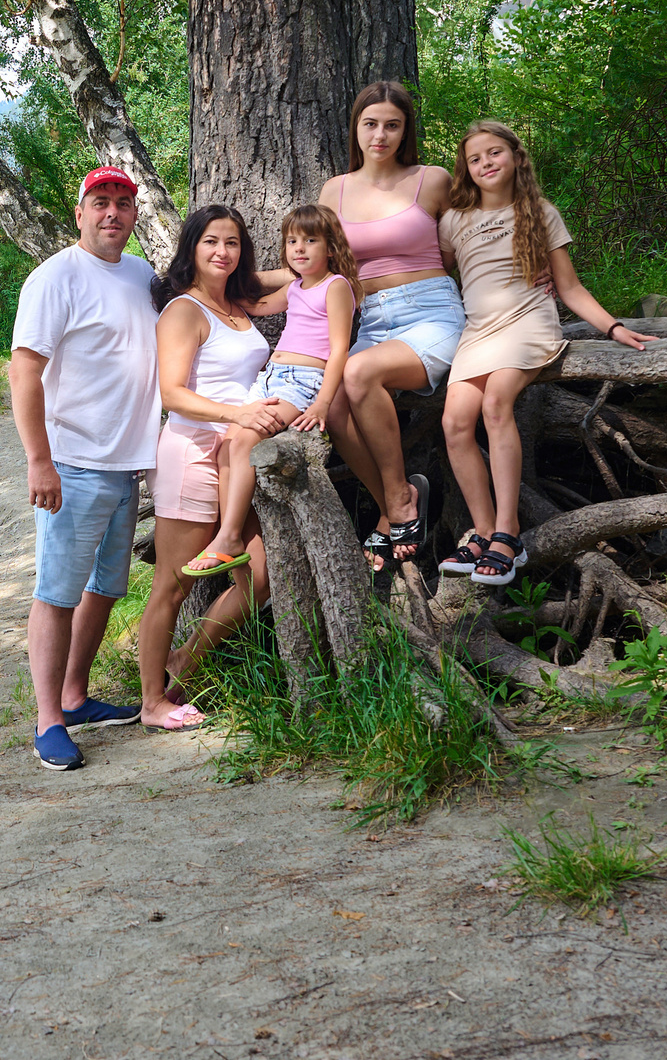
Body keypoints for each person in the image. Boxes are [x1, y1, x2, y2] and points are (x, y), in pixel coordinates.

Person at [435, 120, 654, 583]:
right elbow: (429, 270)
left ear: (516, 157)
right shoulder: (453, 220)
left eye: (494, 152)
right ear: (465, 170)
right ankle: (481, 530)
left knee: (496, 404)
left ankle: (508, 534)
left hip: (527, 322)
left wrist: (614, 327)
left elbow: (570, 287)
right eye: (475, 159)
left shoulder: (539, 212)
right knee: (454, 422)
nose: (485, 163)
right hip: (478, 332)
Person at [9, 167, 165, 771]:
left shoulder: (142, 276)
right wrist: (39, 461)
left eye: (123, 203)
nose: (112, 213)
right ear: (80, 213)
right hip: (72, 464)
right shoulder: (55, 278)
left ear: (134, 214)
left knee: (105, 588)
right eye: (100, 202)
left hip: (128, 465)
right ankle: (48, 720)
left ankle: (75, 696)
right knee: (57, 593)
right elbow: (24, 371)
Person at [133, 205, 280, 730]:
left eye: (233, 242)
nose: (222, 251)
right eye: (211, 241)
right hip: (193, 454)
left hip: (237, 456)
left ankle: (185, 661)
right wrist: (237, 413)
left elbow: (302, 276)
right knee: (172, 586)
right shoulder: (183, 311)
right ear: (190, 248)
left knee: (261, 575)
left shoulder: (238, 303)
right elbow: (173, 394)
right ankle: (152, 702)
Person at [319, 82, 464, 586]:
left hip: (430, 312)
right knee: (331, 403)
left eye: (392, 125)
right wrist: (244, 286)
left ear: (406, 132)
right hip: (372, 318)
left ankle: (399, 502)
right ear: (355, 128)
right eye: (370, 124)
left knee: (358, 372)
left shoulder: (432, 180)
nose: (380, 135)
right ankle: (393, 503)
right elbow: (318, 264)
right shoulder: (334, 191)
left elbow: (465, 247)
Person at [186, 204, 359, 578]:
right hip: (271, 378)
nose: (299, 249)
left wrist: (323, 403)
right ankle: (229, 535)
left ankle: (229, 537)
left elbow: (339, 350)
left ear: (331, 247)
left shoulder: (335, 286)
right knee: (228, 446)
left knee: (247, 438)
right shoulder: (295, 287)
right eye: (292, 242)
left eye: (310, 241)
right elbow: (256, 304)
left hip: (304, 381)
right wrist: (213, 283)